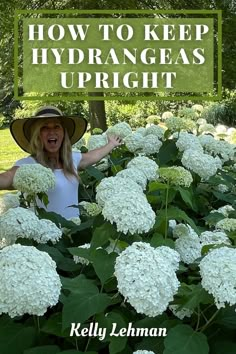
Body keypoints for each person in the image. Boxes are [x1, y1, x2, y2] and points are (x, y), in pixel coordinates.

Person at [0, 105, 122, 218]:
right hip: (44, 239)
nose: (51, 131)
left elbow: (92, 156)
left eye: (56, 126)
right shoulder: (27, 165)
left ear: (63, 133)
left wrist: (111, 144)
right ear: (37, 135)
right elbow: (7, 178)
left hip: (73, 234)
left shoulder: (72, 160)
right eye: (44, 127)